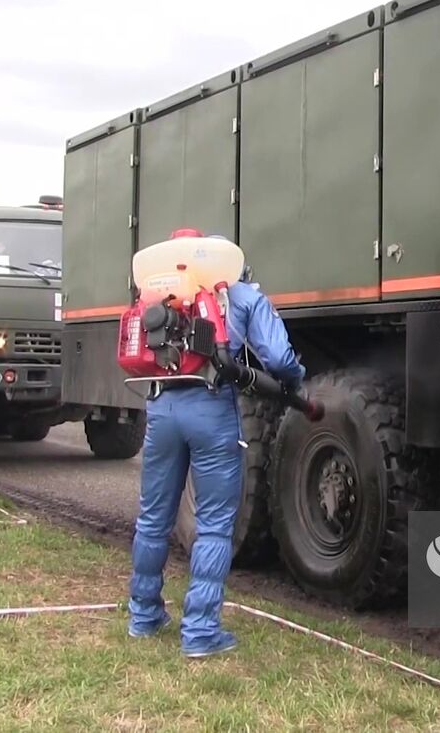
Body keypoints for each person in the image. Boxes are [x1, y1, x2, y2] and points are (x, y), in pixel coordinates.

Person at [127, 229, 305, 658]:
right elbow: (278, 359)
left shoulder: (157, 295)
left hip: (161, 408)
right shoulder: (239, 295)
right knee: (213, 523)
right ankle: (201, 631)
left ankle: (143, 616)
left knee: (153, 518)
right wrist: (296, 381)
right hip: (210, 410)